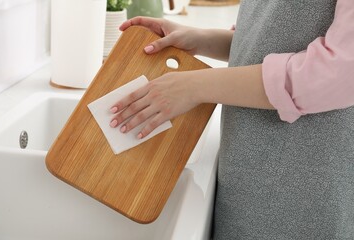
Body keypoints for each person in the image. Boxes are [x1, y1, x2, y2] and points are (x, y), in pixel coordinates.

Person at [109, 0, 354, 239]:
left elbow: (339, 73)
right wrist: (201, 39)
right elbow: (272, 38)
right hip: (251, 170)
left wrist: (193, 87)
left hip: (308, 181)